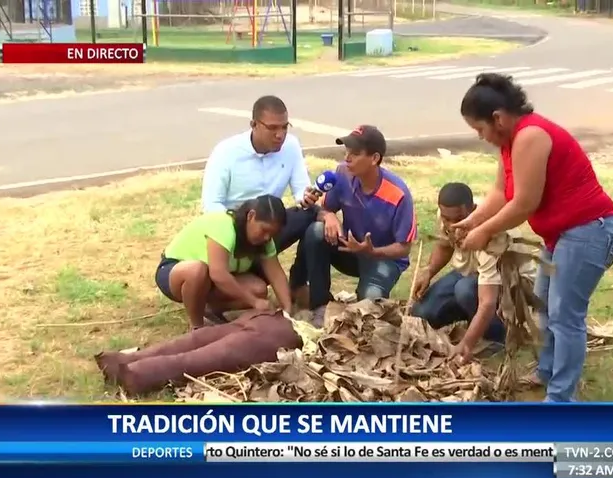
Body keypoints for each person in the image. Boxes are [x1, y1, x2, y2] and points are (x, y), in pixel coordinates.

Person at [453, 73, 613, 403]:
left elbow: (524, 203)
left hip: (590, 231)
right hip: (561, 236)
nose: (480, 136)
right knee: (544, 308)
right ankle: (547, 372)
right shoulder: (510, 143)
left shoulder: (531, 136)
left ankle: (561, 398)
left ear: (498, 118)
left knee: (565, 315)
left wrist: (484, 231)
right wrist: (472, 220)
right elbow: (501, 193)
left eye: (480, 129)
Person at [201, 95, 319, 306]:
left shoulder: (291, 146)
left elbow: (301, 189)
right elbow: (212, 205)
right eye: (273, 128)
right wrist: (237, 231)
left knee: (310, 215)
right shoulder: (226, 152)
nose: (280, 135)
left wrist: (306, 196)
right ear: (254, 125)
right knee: (256, 289)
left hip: (269, 223)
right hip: (233, 229)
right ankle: (229, 279)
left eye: (285, 127)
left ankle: (298, 284)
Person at [300, 125, 417, 327]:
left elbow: (404, 247)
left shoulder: (398, 194)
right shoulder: (342, 174)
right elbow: (323, 208)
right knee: (316, 232)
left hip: (384, 259)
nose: (347, 158)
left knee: (369, 310)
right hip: (351, 249)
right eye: (346, 152)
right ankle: (320, 306)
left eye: (355, 154)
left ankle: (366, 296)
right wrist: (328, 216)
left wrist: (373, 251)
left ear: (374, 158)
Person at [410, 183, 535, 363]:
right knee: (422, 313)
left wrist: (466, 344)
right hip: (471, 274)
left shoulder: (494, 236)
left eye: (459, 218)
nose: (453, 226)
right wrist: (429, 271)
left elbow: (487, 302)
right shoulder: (447, 215)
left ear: (473, 210)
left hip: (512, 287)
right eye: (447, 219)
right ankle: (470, 316)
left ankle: (497, 336)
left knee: (465, 290)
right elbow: (445, 245)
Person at [155, 194, 293, 330]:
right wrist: (254, 302)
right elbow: (218, 274)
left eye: (272, 234)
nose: (267, 237)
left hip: (208, 281)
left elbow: (276, 274)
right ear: (251, 216)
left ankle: (207, 309)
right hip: (174, 272)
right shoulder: (224, 225)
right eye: (264, 230)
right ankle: (197, 326)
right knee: (196, 270)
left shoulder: (265, 241)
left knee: (258, 289)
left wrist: (288, 311)